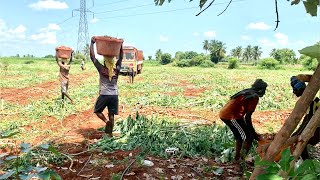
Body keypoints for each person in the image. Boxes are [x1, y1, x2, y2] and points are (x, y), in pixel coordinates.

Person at [219, 79, 268, 161]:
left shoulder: (247, 92)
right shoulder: (254, 97)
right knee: (246, 137)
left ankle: (238, 158)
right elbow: (247, 118)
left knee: (246, 135)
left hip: (231, 114)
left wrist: (253, 133)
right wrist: (254, 134)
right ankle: (240, 159)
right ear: (261, 89)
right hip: (231, 116)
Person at [90, 36, 123, 137]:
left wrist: (92, 43)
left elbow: (93, 57)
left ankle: (106, 121)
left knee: (98, 111)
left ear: (105, 61)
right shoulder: (116, 70)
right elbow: (121, 57)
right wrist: (121, 45)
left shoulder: (101, 69)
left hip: (104, 94)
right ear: (113, 61)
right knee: (111, 114)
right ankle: (110, 134)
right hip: (114, 95)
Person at [290, 75, 320, 159]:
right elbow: (305, 119)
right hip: (315, 128)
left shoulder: (313, 103)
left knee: (302, 142)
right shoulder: (309, 102)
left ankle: (306, 165)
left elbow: (308, 120)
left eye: (295, 90)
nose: (294, 92)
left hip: (317, 129)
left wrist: (297, 134)